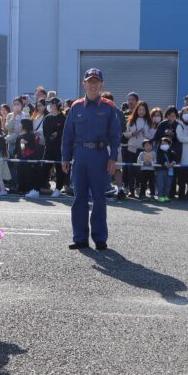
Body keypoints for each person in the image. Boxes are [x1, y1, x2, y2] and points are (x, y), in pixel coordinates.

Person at [62, 68, 121, 250]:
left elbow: (115, 135)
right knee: (79, 197)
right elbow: (68, 135)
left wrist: (112, 158)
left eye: (96, 81)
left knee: (99, 198)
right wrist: (65, 157)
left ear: (102, 84)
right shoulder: (76, 106)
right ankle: (80, 238)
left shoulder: (109, 107)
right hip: (80, 155)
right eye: (90, 81)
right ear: (84, 84)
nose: (93, 85)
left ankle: (100, 238)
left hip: (99, 156)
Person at [42, 97, 67, 197]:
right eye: (49, 104)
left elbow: (66, 132)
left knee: (59, 169)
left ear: (57, 105)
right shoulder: (47, 118)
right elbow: (45, 133)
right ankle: (39, 188)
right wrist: (50, 136)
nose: (50, 106)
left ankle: (58, 189)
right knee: (44, 168)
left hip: (59, 148)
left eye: (52, 104)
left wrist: (58, 133)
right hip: (48, 148)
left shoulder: (63, 118)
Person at [154, 136, 175, 203]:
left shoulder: (171, 152)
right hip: (160, 170)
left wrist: (173, 162)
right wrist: (165, 163)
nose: (163, 145)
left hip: (169, 171)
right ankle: (160, 196)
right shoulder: (158, 152)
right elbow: (159, 159)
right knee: (160, 184)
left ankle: (166, 196)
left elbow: (174, 158)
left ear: (169, 144)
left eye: (165, 143)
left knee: (168, 184)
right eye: (162, 143)